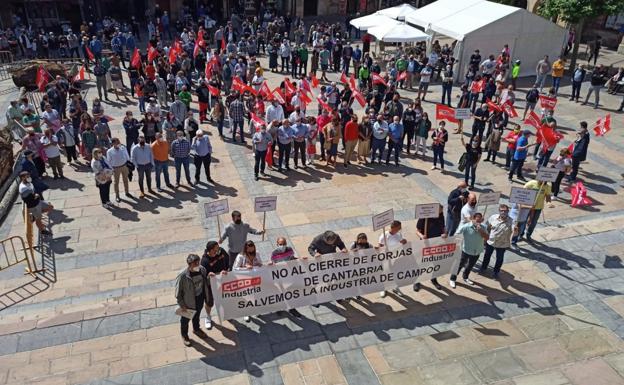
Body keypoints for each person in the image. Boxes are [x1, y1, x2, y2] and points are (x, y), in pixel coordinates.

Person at [175, 254, 210, 346]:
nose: (198, 265)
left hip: (200, 298)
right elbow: (178, 293)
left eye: (198, 262)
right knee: (185, 320)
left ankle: (196, 329)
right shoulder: (183, 276)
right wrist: (182, 304)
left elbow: (205, 282)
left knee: (197, 315)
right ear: (189, 264)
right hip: (188, 302)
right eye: (195, 263)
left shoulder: (202, 270)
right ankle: (184, 335)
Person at [450, 212, 488, 287]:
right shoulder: (466, 226)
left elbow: (487, 237)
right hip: (466, 250)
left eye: (480, 221)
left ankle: (465, 277)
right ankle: (452, 279)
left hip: (477, 251)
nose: (478, 222)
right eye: (477, 220)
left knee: (470, 265)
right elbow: (456, 234)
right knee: (460, 265)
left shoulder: (483, 227)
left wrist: (481, 231)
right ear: (473, 219)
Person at [414, 205, 446, 291]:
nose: (440, 212)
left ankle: (434, 279)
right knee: (421, 263)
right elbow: (417, 230)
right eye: (439, 211)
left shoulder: (441, 216)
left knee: (435, 262)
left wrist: (444, 233)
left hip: (436, 243)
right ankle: (417, 281)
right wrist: (421, 236)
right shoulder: (424, 217)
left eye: (441, 211)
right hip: (425, 243)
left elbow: (443, 227)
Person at [479, 204, 515, 279]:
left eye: (505, 211)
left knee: (499, 259)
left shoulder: (511, 221)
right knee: (487, 256)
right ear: (499, 211)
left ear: (508, 211)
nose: (503, 212)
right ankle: (483, 268)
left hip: (502, 244)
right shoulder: (493, 217)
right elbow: (487, 227)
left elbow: (514, 232)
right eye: (501, 211)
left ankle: (496, 272)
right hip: (491, 241)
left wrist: (516, 230)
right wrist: (485, 238)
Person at [200, 241, 230, 330]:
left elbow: (228, 261)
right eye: (216, 249)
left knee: (225, 297)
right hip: (210, 285)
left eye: (218, 247)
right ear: (210, 250)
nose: (218, 250)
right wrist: (209, 275)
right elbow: (203, 275)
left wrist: (226, 270)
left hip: (223, 282)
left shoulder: (221, 252)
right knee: (209, 302)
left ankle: (226, 313)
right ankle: (208, 317)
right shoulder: (204, 261)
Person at [232, 240, 263, 322]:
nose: (251, 251)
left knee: (256, 295)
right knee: (246, 296)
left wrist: (260, 264)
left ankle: (256, 310)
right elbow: (234, 269)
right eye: (249, 249)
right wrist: (245, 267)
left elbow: (260, 263)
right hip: (244, 279)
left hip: (255, 279)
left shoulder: (257, 254)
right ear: (246, 248)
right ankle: (246, 313)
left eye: (252, 249)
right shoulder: (240, 256)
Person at [378, 220, 408, 297]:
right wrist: (385, 250)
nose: (400, 229)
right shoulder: (384, 236)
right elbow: (380, 247)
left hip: (396, 257)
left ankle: (395, 288)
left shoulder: (398, 234)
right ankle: (383, 288)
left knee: (395, 273)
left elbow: (401, 241)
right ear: (393, 227)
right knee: (385, 273)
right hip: (386, 258)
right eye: (398, 227)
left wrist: (404, 241)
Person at [19, 171, 53, 235]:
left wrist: (36, 195)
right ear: (23, 178)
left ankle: (34, 216)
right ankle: (42, 231)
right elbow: (28, 200)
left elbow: (33, 192)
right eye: (27, 176)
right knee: (38, 220)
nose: (29, 177)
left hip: (38, 202)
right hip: (33, 206)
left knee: (50, 207)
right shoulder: (23, 188)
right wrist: (36, 196)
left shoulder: (29, 183)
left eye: (29, 176)